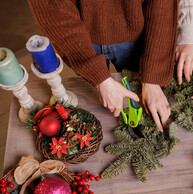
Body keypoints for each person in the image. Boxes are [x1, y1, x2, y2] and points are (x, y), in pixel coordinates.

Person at [28, 0, 178, 132]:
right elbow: (54, 9)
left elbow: (162, 6)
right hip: (80, 37)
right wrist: (100, 78)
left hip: (136, 30)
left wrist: (153, 77)